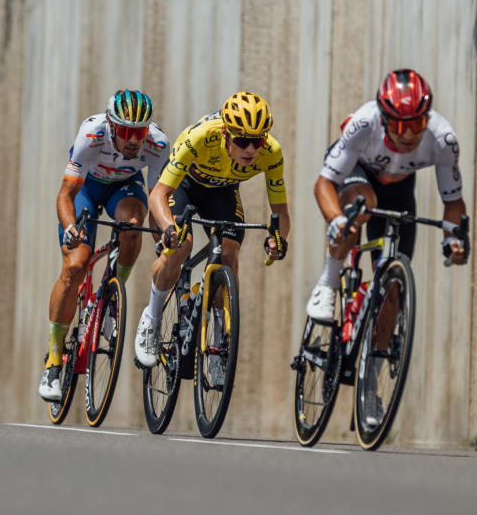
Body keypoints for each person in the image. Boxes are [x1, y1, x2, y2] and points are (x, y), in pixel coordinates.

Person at [303, 69, 468, 426]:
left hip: (399, 189)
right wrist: (336, 224)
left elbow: (453, 201)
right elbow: (323, 184)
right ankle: (329, 283)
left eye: (418, 123)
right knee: (360, 206)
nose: (410, 133)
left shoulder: (443, 139)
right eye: (400, 124)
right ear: (383, 117)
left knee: (393, 290)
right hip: (357, 175)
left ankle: (370, 385)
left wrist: (454, 239)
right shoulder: (364, 124)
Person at [133, 91, 291, 383]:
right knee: (182, 246)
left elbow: (280, 212)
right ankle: (152, 319)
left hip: (223, 190)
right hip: (185, 185)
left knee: (229, 254)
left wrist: (277, 240)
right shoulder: (201, 138)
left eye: (257, 141)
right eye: (242, 140)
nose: (251, 149)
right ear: (225, 134)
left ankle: (218, 345)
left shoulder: (272, 152)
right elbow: (159, 194)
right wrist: (169, 228)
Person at [37, 89, 168, 402]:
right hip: (86, 189)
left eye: (139, 132)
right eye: (125, 132)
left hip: (124, 187)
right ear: (111, 126)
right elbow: (65, 195)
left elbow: (157, 199)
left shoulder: (158, 144)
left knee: (132, 227)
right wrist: (70, 228)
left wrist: (160, 237)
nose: (134, 140)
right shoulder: (91, 133)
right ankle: (55, 356)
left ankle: (113, 296)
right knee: (75, 266)